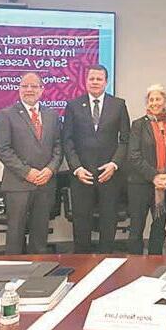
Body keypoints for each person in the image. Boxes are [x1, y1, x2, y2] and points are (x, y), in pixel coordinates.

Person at [62, 64, 130, 253]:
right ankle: (81, 260)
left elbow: (125, 139)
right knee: (81, 220)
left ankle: (106, 258)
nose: (95, 82)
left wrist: (114, 164)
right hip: (82, 174)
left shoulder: (119, 105)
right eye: (91, 78)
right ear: (85, 81)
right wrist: (76, 168)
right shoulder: (73, 105)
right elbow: (67, 140)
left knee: (109, 219)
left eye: (99, 79)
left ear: (106, 82)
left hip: (109, 174)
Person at [0, 72, 62, 254]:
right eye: (25, 86)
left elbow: (58, 146)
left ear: (42, 89)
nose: (29, 89)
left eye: (33, 86)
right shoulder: (6, 115)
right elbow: (2, 149)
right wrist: (27, 172)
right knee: (15, 235)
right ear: (19, 89)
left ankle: (39, 269)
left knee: (40, 236)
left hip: (45, 183)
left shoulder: (52, 115)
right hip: (18, 184)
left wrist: (50, 170)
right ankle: (14, 269)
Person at [127, 84, 166, 255]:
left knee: (159, 228)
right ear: (147, 103)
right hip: (140, 184)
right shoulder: (138, 125)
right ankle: (135, 264)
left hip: (164, 185)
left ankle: (156, 261)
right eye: (151, 99)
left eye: (158, 99)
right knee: (136, 229)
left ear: (164, 101)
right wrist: (154, 176)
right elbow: (133, 155)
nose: (154, 103)